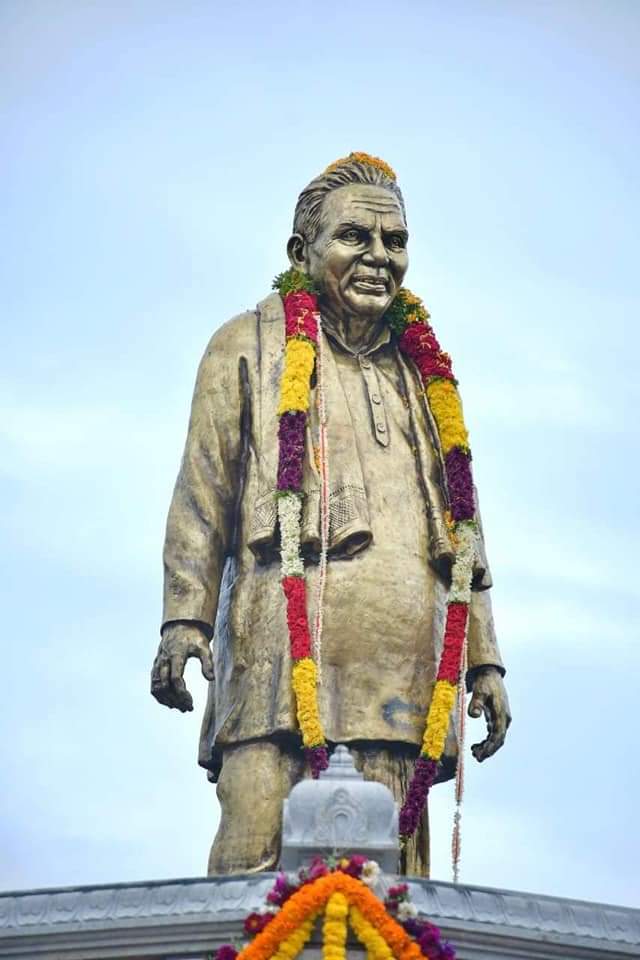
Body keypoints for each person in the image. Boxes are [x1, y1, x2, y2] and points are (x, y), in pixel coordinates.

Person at [150, 153, 511, 877]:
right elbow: (202, 492)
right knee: (255, 868)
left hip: (404, 679)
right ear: (300, 252)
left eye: (396, 242)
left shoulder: (425, 374)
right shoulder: (246, 346)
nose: (381, 258)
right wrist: (184, 620)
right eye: (356, 238)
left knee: (391, 890)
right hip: (277, 665)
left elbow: (461, 534)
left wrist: (483, 660)